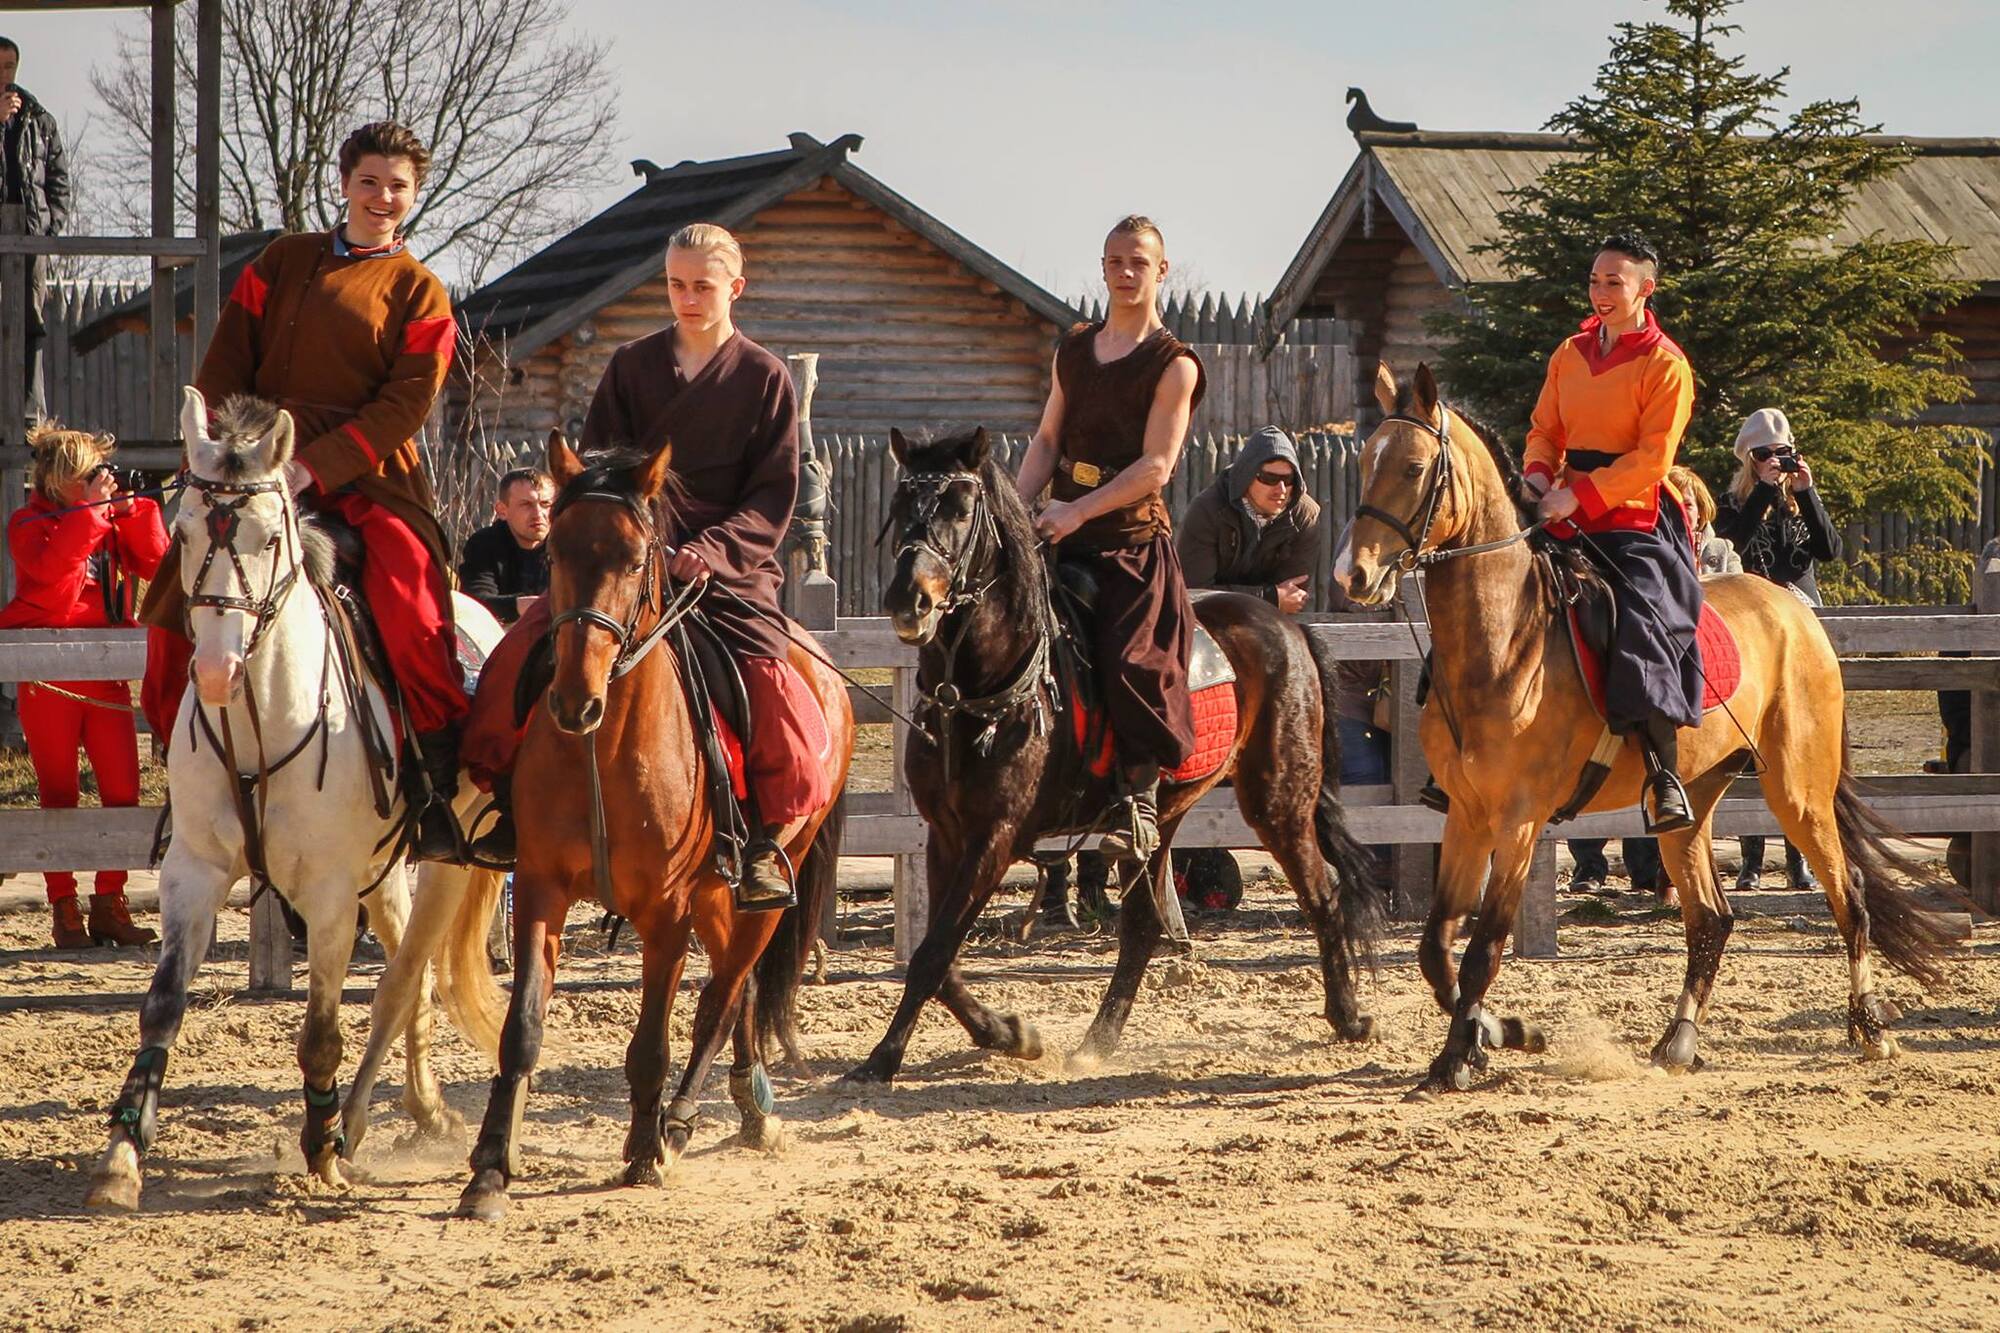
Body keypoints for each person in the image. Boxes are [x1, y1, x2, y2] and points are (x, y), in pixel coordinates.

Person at [462, 223, 825, 909]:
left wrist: (712, 549)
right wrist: (636, 540)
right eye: (676, 284)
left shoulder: (765, 377)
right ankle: (509, 808)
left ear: (735, 289)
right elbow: (594, 470)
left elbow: (775, 491)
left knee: (770, 684)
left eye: (702, 286)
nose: (687, 299)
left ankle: (763, 840)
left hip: (725, 568)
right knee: (521, 651)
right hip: (625, 561)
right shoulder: (631, 365)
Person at [137, 121, 467, 860]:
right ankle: (182, 770)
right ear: (344, 184)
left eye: (398, 186)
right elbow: (225, 361)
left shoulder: (422, 291)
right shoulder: (282, 261)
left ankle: (438, 783)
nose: (383, 197)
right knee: (173, 596)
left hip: (368, 476)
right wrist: (223, 452)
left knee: (412, 599)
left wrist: (311, 466)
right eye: (370, 182)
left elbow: (404, 406)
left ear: (414, 196)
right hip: (251, 466)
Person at [1016, 215, 1205, 861]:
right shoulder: (1073, 348)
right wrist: (1017, 510)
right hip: (1057, 531)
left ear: (1161, 271)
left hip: (1130, 542)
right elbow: (1046, 440)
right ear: (1102, 268)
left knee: (1132, 663)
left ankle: (1139, 800)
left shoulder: (1173, 364)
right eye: (1116, 261)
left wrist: (1079, 510)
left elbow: (1156, 467)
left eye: (1138, 263)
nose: (1126, 273)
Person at [1525, 232, 1702, 834]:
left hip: (1631, 517)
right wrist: (1537, 475)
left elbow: (1654, 457)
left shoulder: (1666, 364)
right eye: (1595, 281)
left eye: (1614, 282)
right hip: (1561, 511)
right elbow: (1545, 429)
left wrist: (1582, 492)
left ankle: (1663, 773)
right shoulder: (1568, 353)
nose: (1601, 292)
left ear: (1644, 290)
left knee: (1642, 616)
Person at [1, 424, 168, 947]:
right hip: (49, 677)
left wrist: (138, 511)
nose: (104, 481)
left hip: (107, 673)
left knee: (122, 789)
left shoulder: (106, 520)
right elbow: (53, 577)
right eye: (92, 474)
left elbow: (159, 566)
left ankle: (110, 903)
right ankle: (63, 907)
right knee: (59, 792)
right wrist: (94, 514)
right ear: (63, 480)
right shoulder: (28, 524)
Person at [1171, 426, 1324, 895]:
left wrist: (1271, 601)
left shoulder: (1305, 514)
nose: (1282, 490)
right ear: (1244, 480)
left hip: (1263, 641)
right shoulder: (1206, 511)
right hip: (1202, 635)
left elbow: (1296, 593)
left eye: (1290, 481)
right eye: (1269, 479)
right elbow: (1193, 592)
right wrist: (1267, 597)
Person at [1716, 407, 1839, 891]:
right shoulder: (1731, 502)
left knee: (1800, 747)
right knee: (1750, 748)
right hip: (1753, 627)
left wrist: (1805, 492)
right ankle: (1751, 859)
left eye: (1781, 453)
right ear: (1749, 459)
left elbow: (1829, 550)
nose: (1774, 462)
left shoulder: (1798, 503)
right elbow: (1731, 546)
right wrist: (1764, 490)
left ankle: (1800, 858)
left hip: (1802, 629)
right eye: (1764, 455)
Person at [0, 37, 70, 424]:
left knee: (32, 323)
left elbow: (58, 180)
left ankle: (29, 414)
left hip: (29, 238)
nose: (4, 74)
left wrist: (48, 226)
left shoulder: (38, 119)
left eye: (9, 66)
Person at [457, 467, 552, 625]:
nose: (538, 513)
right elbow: (475, 604)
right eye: (526, 505)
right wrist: (523, 606)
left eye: (545, 504)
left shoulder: (568, 545)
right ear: (502, 511)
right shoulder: (485, 544)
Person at [1670, 464, 1740, 578]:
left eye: (1687, 505)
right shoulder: (1650, 550)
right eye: (1672, 504)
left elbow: (1740, 591)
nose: (1680, 511)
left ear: (1700, 511)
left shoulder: (1724, 550)